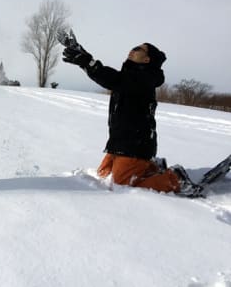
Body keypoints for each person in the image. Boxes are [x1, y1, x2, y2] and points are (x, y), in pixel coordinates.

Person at [59, 30, 201, 197]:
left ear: (147, 59)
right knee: (103, 174)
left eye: (138, 49)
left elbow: (113, 79)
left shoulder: (145, 78)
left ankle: (175, 179)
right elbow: (115, 79)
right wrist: (81, 53)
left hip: (135, 144)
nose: (133, 49)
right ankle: (153, 167)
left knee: (121, 184)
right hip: (121, 141)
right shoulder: (131, 76)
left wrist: (89, 63)